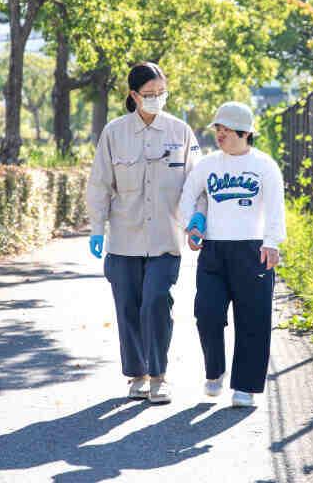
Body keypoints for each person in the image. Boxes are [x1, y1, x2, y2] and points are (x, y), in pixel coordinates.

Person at [86, 61, 203, 404]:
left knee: (155, 302)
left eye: (161, 93)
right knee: (128, 306)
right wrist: (97, 228)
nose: (155, 99)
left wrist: (198, 220)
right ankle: (137, 375)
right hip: (124, 239)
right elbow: (100, 184)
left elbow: (196, 182)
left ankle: (159, 375)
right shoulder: (115, 132)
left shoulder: (180, 132)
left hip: (166, 238)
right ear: (133, 95)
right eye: (149, 94)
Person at [179, 101, 286, 408]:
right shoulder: (208, 164)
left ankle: (245, 387)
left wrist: (272, 242)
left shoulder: (264, 165)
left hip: (253, 249)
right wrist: (192, 224)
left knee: (253, 319)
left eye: (225, 129)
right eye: (218, 129)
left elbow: (276, 209)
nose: (220, 134)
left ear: (244, 132)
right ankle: (214, 372)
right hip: (213, 250)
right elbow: (188, 195)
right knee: (207, 312)